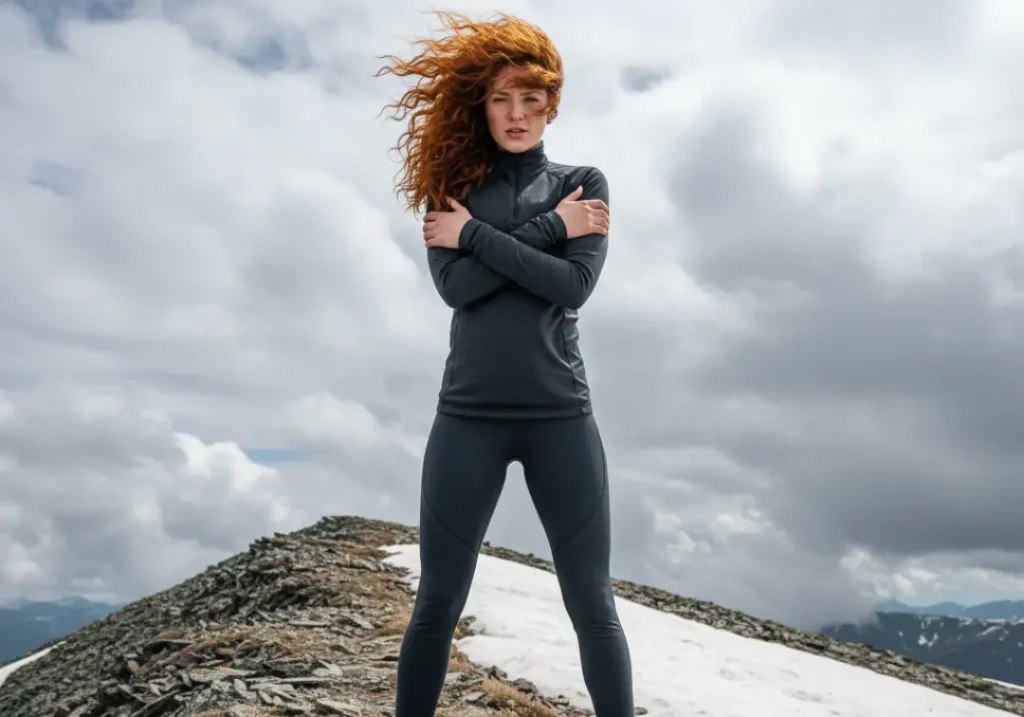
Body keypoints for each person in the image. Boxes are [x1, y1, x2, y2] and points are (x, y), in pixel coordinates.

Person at [375, 11, 634, 716]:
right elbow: (457, 290)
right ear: (482, 105)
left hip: (561, 417)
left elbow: (572, 286)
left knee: (592, 602)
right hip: (468, 418)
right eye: (501, 98)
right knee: (437, 602)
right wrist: (552, 228)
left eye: (531, 99)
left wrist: (476, 237)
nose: (516, 114)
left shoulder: (584, 181)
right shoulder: (451, 186)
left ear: (552, 106)